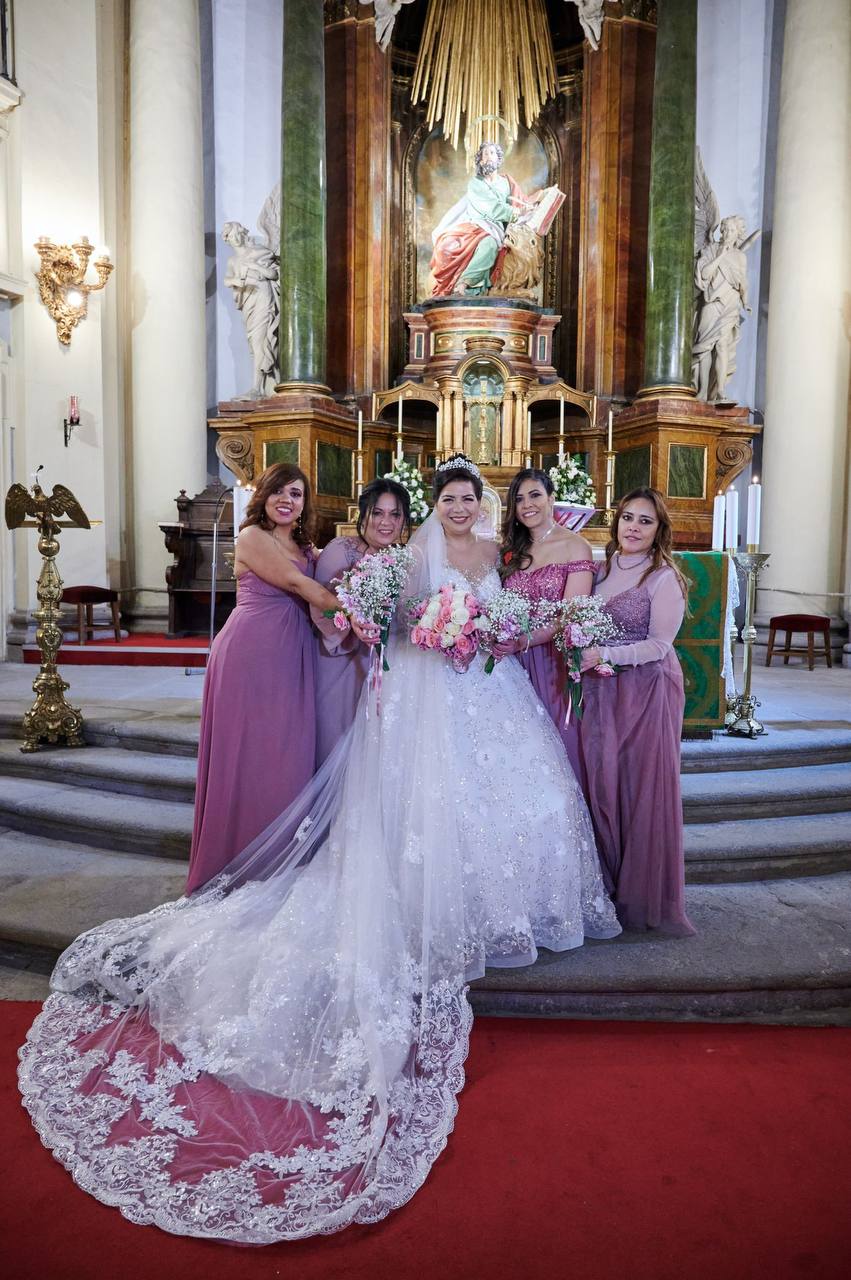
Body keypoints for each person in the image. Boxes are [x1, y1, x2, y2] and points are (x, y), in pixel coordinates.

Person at [19, 455, 620, 1246]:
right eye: (450, 498)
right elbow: (388, 618)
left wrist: (485, 626)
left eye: (471, 499)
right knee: (422, 809)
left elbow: (504, 615)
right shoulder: (409, 555)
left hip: (485, 684)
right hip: (422, 688)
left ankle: (501, 908)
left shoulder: (495, 557)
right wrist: (427, 627)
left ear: (485, 505)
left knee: (525, 800)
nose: (462, 510)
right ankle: (425, 905)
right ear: (433, 505)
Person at [187, 462, 349, 894]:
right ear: (263, 495)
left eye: (296, 494)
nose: (286, 500)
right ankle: (237, 862)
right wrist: (358, 614)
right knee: (249, 755)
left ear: (304, 504)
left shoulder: (307, 544)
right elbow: (299, 585)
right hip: (251, 655)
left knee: (286, 753)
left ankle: (280, 858)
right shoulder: (251, 537)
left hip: (293, 653)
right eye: (278, 491)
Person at [580, 487, 695, 937]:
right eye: (628, 517)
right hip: (601, 690)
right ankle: (608, 882)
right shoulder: (600, 568)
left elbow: (659, 646)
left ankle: (641, 893)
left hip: (647, 691)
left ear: (659, 529)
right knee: (603, 782)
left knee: (639, 786)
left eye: (645, 521)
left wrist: (603, 652)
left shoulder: (663, 577)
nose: (633, 527)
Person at [497, 467, 596, 785]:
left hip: (551, 662)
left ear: (552, 498)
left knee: (556, 747)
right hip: (510, 663)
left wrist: (524, 641)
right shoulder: (511, 549)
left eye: (535, 495)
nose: (527, 504)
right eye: (519, 498)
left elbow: (570, 613)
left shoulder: (575, 546)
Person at [311, 478, 411, 765]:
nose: (386, 522)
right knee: (336, 737)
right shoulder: (340, 549)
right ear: (363, 513)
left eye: (395, 514)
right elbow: (320, 606)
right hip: (340, 659)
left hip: (387, 666)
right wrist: (355, 621)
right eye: (377, 512)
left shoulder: (404, 558)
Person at [430, 141, 536, 296]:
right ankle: (458, 285)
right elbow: (490, 207)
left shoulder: (507, 181)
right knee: (450, 245)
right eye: (485, 154)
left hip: (496, 228)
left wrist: (530, 206)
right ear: (480, 160)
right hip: (476, 225)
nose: (488, 157)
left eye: (492, 153)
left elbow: (521, 201)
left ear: (498, 159)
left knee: (489, 245)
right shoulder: (476, 183)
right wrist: (515, 212)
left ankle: (464, 284)